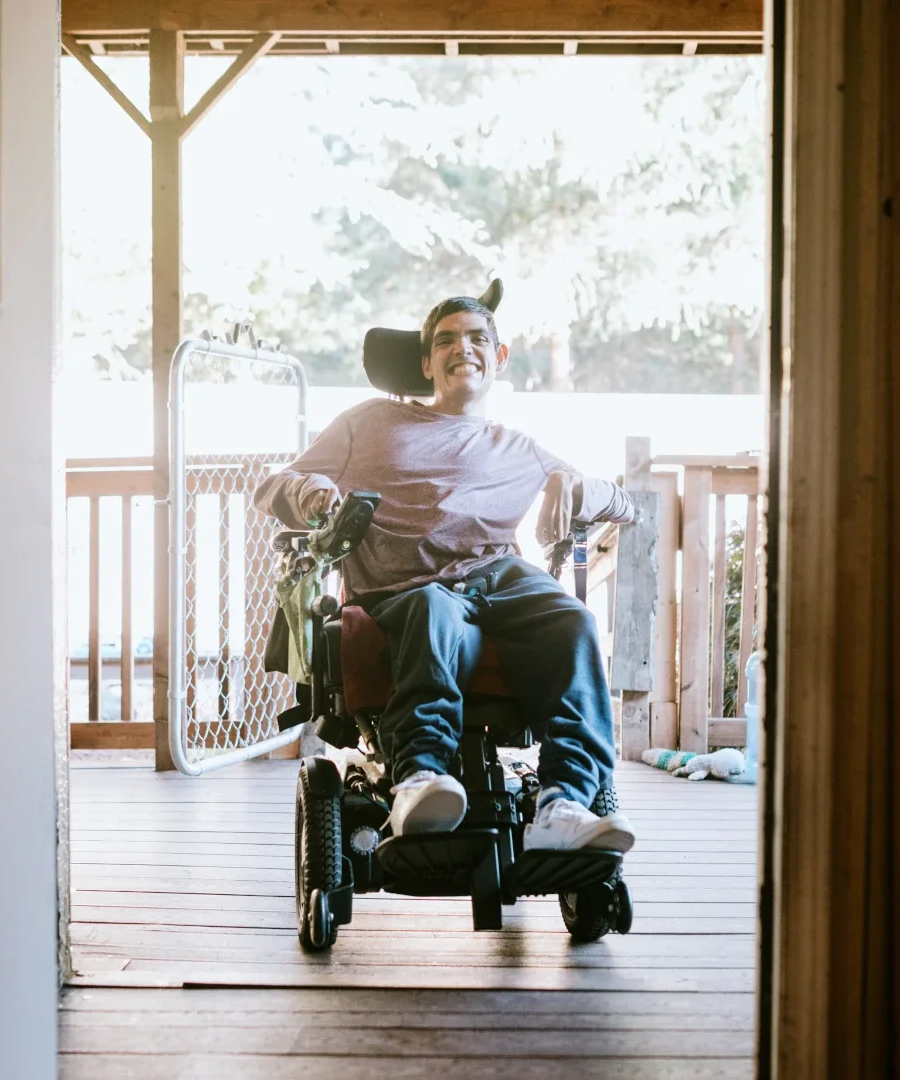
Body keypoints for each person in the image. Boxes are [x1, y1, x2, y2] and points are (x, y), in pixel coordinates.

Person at [253, 293, 637, 852]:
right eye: (446, 340)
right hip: (405, 585)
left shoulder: (517, 447)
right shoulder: (369, 422)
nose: (464, 348)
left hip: (499, 575)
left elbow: (625, 505)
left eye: (478, 338)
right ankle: (418, 778)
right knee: (435, 610)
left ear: (499, 355)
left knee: (572, 620)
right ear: (427, 363)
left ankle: (564, 802)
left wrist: (576, 486)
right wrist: (311, 491)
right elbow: (273, 487)